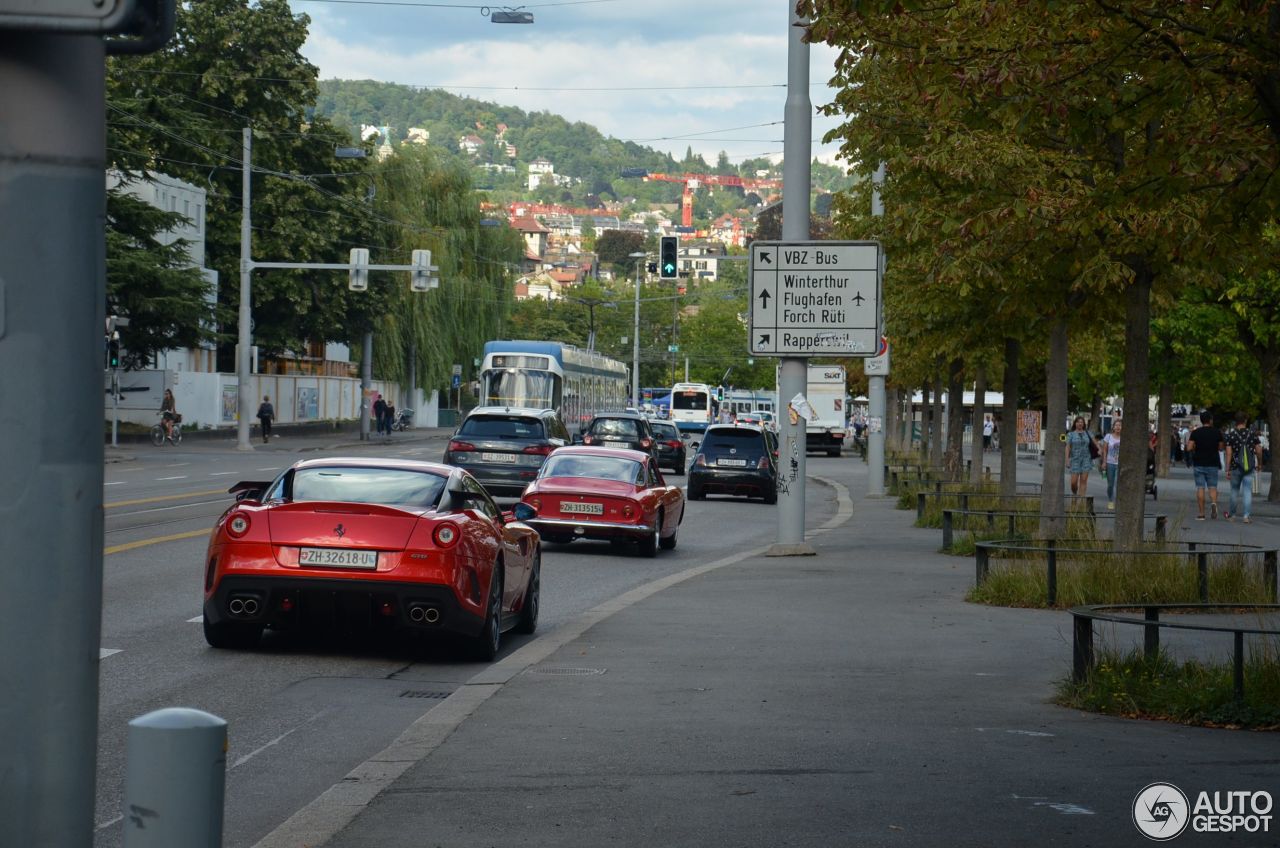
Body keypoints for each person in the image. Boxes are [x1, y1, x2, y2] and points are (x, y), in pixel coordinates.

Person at [1223, 412, 1263, 523]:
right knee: (1247, 491)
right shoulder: (1252, 434)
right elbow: (1259, 450)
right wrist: (1259, 463)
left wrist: (1227, 468)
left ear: (1235, 421)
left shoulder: (1231, 435)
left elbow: (1229, 453)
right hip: (1249, 466)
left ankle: (1232, 515)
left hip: (1235, 466)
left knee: (1234, 491)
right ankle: (1246, 516)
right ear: (1245, 420)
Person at [1187, 410, 1225, 521]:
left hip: (1199, 462)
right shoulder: (1217, 432)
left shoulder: (1196, 432)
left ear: (1201, 420)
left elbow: (1189, 447)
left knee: (1200, 487)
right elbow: (1221, 447)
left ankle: (1201, 514)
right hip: (1213, 462)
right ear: (1211, 420)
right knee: (1213, 487)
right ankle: (1213, 504)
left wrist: (1195, 447)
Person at [1065, 416, 1098, 497]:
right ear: (1075, 423)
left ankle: (1081, 502)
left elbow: (1095, 443)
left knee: (1083, 481)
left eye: (1081, 422)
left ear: (1084, 424)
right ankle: (1074, 493)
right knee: (1073, 482)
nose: (1080, 423)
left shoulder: (1088, 433)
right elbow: (1067, 447)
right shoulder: (1070, 434)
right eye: (1078, 422)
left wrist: (1099, 449)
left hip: (1086, 459)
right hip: (1075, 460)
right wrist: (1067, 460)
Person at [1101, 419, 1122, 510]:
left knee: (1118, 482)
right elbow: (1104, 450)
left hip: (1120, 464)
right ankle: (1110, 500)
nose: (1118, 427)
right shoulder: (1108, 437)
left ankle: (1119, 502)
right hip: (1110, 463)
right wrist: (1104, 462)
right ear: (1113, 427)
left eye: (1120, 425)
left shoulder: (1124, 438)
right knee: (1110, 484)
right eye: (1116, 425)